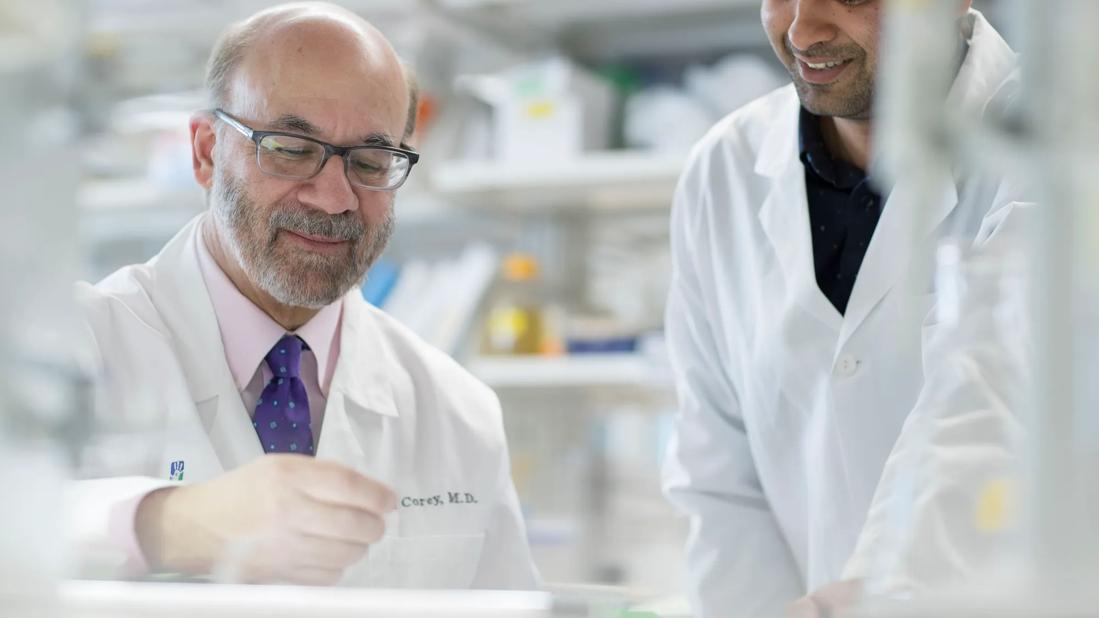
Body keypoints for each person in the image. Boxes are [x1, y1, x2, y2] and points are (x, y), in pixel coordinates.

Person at [70, 2, 537, 589]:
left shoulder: (457, 412)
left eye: (370, 161)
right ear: (207, 152)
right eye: (291, 148)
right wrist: (169, 523)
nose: (333, 197)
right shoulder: (76, 347)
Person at [661, 1, 1026, 614]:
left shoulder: (1055, 143)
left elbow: (987, 401)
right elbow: (718, 472)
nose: (803, 31)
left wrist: (880, 592)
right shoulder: (721, 169)